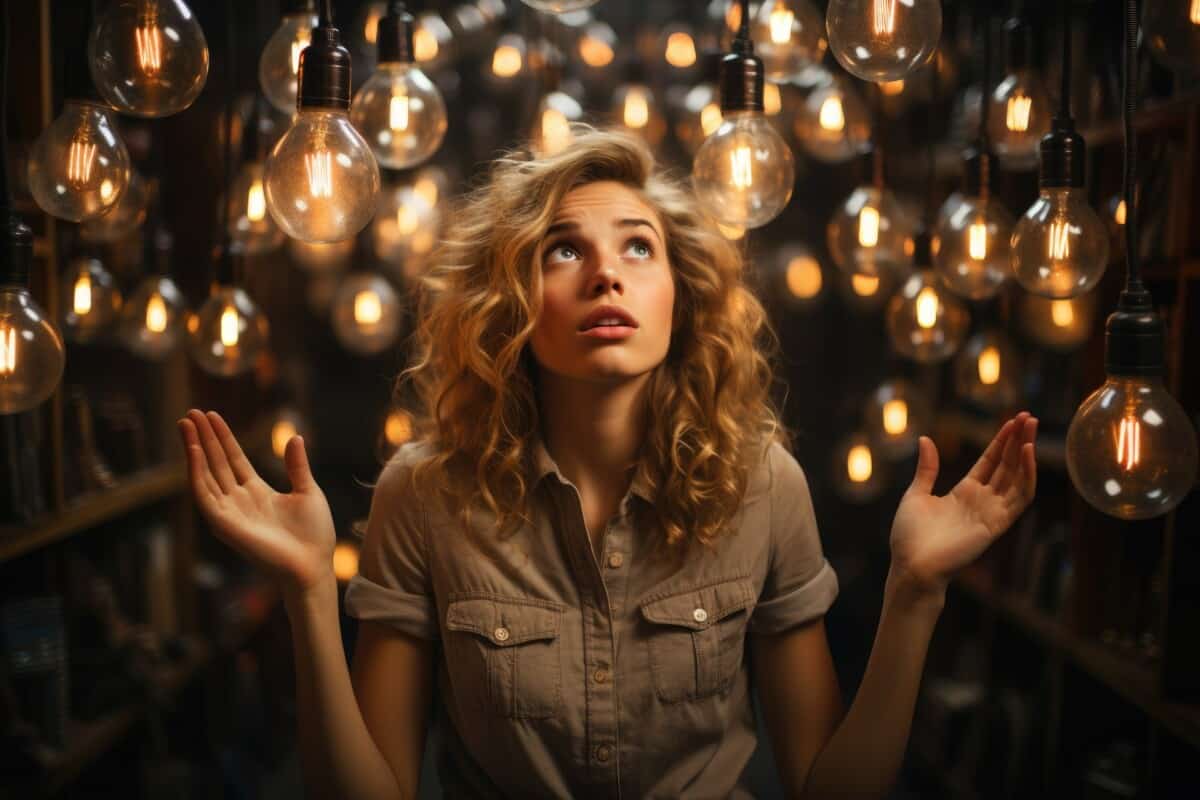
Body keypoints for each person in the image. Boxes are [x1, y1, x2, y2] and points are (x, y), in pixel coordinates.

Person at [176, 127, 1038, 799]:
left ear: (680, 295)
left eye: (637, 247)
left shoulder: (764, 484)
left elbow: (827, 787)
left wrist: (916, 591)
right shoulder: (423, 492)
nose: (605, 275)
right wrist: (306, 592)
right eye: (563, 249)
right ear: (511, 300)